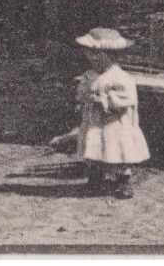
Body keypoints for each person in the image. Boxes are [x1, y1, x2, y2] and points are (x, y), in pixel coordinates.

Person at [49, 27, 150, 198]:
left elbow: (128, 99)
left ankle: (123, 182)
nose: (93, 58)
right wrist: (83, 100)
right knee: (94, 146)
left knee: (116, 149)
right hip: (94, 120)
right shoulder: (90, 75)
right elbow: (82, 91)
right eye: (90, 54)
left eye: (98, 54)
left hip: (114, 122)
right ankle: (95, 179)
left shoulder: (120, 77)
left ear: (112, 56)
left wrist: (106, 99)